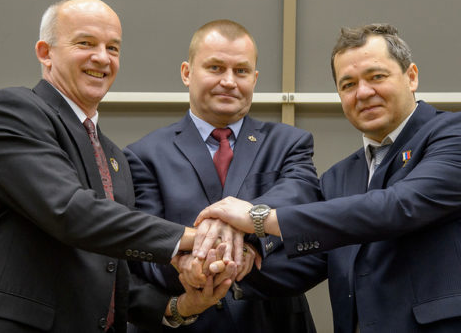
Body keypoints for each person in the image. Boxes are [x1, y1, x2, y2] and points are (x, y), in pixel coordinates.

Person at [195, 23, 461, 332]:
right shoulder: (338, 178)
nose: (364, 92)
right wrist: (228, 263)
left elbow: (399, 206)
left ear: (411, 77)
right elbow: (308, 264)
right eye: (348, 84)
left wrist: (260, 218)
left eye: (377, 77)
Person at [0, 0, 207, 333]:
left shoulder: (113, 155)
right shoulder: (12, 111)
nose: (102, 58)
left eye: (113, 48)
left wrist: (179, 307)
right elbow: (71, 212)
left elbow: (110, 268)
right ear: (45, 53)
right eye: (85, 43)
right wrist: (190, 239)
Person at [123, 19, 321, 333]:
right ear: (187, 73)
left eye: (241, 71)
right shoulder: (143, 155)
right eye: (215, 68)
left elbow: (302, 198)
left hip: (272, 322)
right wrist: (191, 266)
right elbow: (144, 249)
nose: (229, 81)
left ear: (254, 79)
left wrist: (247, 234)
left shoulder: (289, 143)